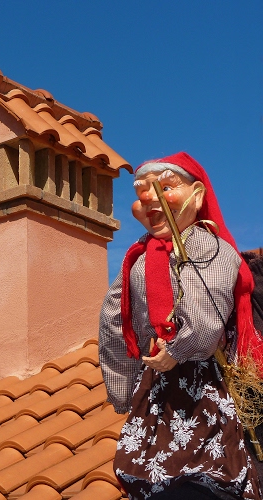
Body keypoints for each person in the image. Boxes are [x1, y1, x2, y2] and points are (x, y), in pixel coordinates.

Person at [99, 152, 262, 499]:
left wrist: (179, 348)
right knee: (150, 466)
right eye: (140, 191)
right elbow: (116, 319)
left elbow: (208, 302)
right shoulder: (137, 260)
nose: (149, 198)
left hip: (206, 376)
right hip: (157, 385)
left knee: (208, 462)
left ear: (197, 195)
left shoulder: (209, 246)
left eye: (164, 187)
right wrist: (122, 387)